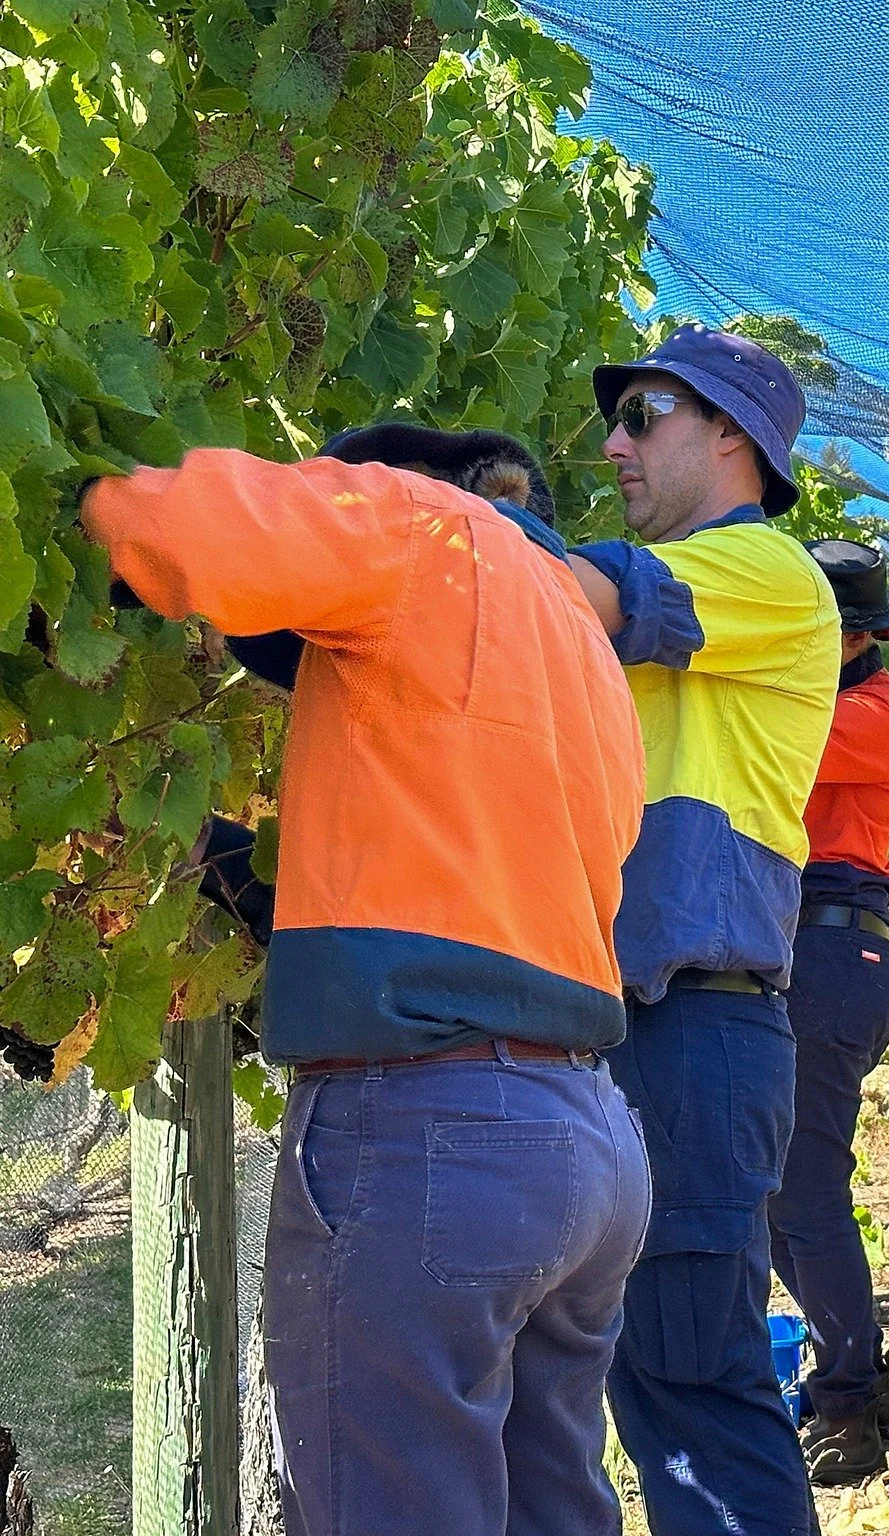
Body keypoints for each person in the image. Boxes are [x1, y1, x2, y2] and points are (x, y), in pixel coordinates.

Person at [82, 426, 651, 1536]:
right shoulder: (579, 649)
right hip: (582, 1140)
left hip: (435, 1138)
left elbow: (164, 522)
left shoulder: (417, 522)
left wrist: (65, 501)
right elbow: (446, 852)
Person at [565, 325, 841, 1536]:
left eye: (644, 413)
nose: (614, 442)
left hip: (691, 1033)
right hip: (617, 1034)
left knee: (694, 1399)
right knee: (645, 1395)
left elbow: (558, 594)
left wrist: (419, 521)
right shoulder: (643, 626)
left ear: (731, 433)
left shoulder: (766, 575)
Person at [767, 539, 889, 1485]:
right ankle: (859, 1370)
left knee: (806, 1191)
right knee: (786, 1198)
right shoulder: (828, 696)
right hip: (806, 949)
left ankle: (849, 1402)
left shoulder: (875, 713)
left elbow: (765, 741)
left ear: (853, 636)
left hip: (835, 950)